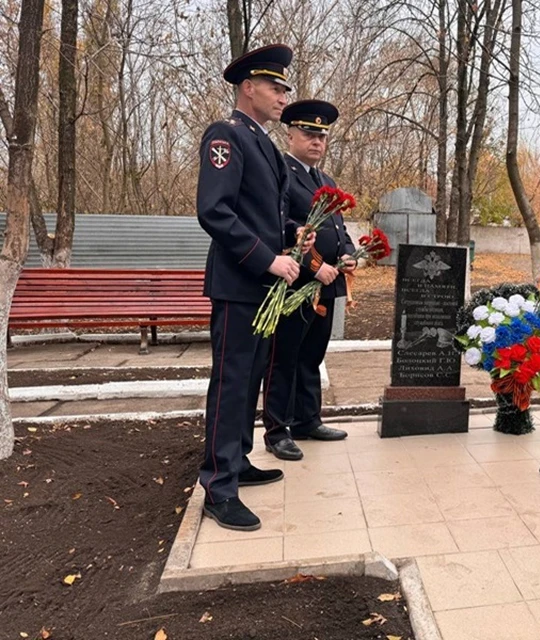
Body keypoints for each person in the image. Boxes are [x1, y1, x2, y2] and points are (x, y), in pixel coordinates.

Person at [196, 44, 313, 531]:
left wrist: (291, 234)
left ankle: (238, 460)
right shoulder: (226, 136)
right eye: (275, 87)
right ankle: (218, 485)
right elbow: (215, 212)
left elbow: (262, 212)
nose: (284, 96)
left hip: (262, 287)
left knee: (248, 382)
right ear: (248, 88)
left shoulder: (263, 142)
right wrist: (268, 259)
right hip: (241, 282)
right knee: (230, 383)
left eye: (286, 87)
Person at [261, 100, 354, 461]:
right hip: (297, 283)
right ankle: (277, 428)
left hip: (326, 284)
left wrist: (346, 253)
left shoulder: (324, 180)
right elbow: (281, 226)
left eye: (322, 136)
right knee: (284, 356)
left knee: (312, 355)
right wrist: (315, 266)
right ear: (291, 134)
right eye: (309, 134)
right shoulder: (281, 173)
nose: (317, 141)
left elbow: (337, 228)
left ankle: (307, 419)